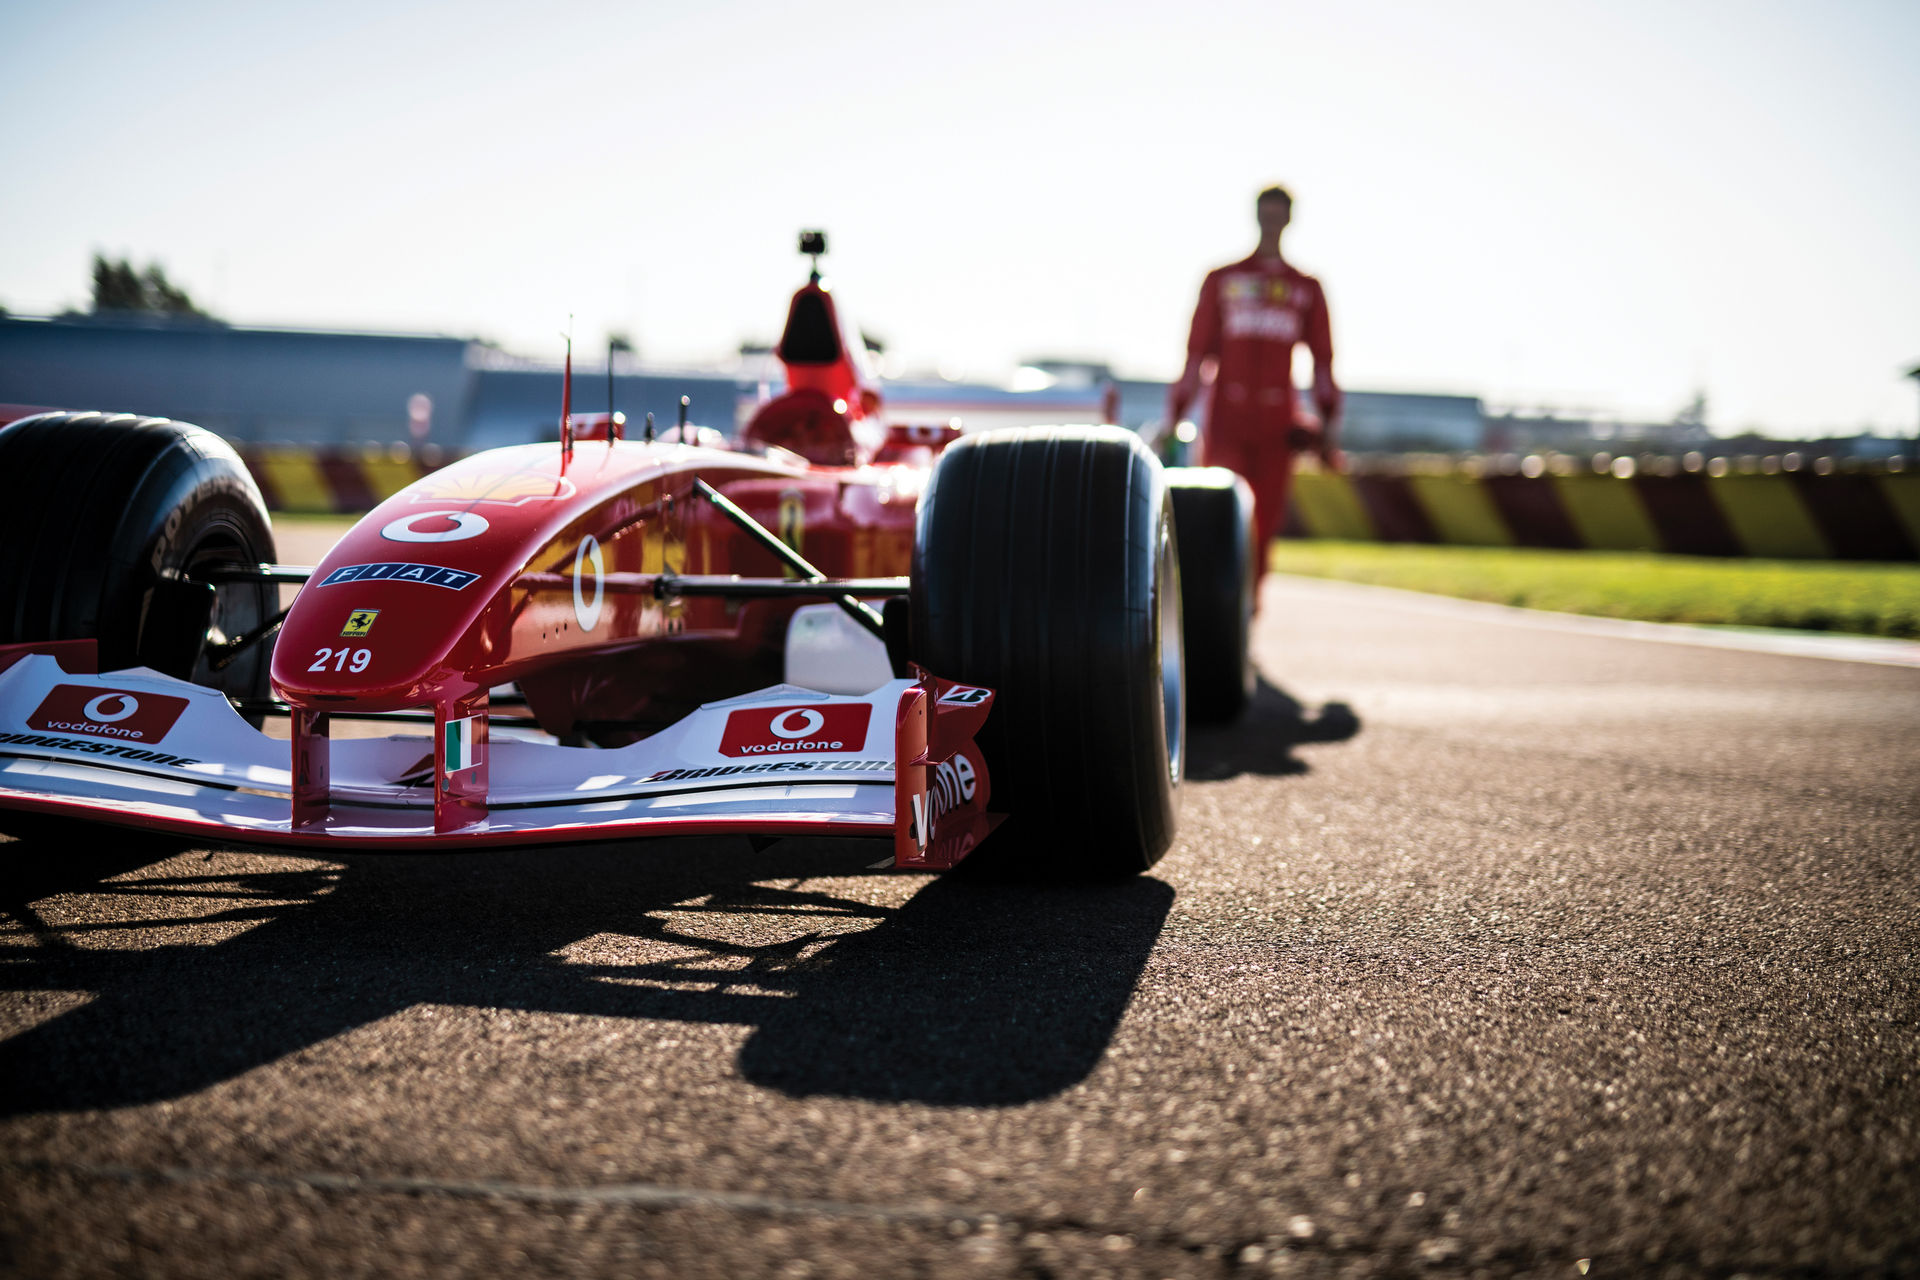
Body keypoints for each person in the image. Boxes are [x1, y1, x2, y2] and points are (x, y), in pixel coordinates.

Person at [1166, 186, 1342, 580]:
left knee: (1264, 518)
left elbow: (1324, 363)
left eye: (1280, 214)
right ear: (1257, 215)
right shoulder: (1223, 280)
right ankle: (1212, 601)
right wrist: (1174, 416)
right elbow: (1195, 356)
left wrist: (1328, 424)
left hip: (1278, 421)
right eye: (1267, 213)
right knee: (1219, 509)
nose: (1272, 222)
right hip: (1227, 415)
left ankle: (1247, 607)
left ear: (1289, 219)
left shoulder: (1305, 289)